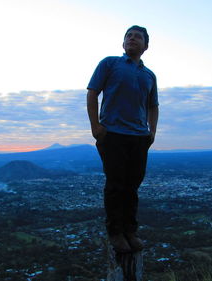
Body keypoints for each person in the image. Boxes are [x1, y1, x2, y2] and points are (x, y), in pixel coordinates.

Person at [86, 25, 159, 253]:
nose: (132, 39)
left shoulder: (149, 75)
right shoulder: (110, 63)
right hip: (113, 134)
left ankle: (130, 230)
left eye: (138, 37)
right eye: (129, 36)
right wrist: (95, 126)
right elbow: (92, 93)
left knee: (132, 185)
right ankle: (115, 232)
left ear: (146, 46)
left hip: (139, 137)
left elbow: (153, 106)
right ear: (123, 43)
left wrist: (152, 131)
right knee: (116, 184)